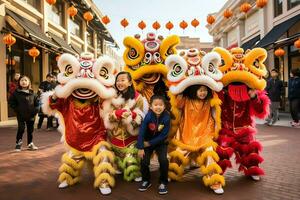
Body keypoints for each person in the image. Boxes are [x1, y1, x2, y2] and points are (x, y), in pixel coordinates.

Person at [103, 71, 148, 182]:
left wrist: (132, 115)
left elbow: (141, 117)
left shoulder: (138, 98)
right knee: (117, 164)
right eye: (117, 80)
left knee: (131, 167)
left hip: (131, 138)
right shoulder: (112, 97)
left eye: (123, 80)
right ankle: (119, 164)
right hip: (115, 136)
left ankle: (134, 168)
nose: (119, 82)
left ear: (129, 82)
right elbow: (107, 116)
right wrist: (116, 114)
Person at [137, 95, 170, 195]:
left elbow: (163, 135)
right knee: (144, 160)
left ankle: (163, 182)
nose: (158, 107)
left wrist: (149, 143)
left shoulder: (167, 117)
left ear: (164, 106)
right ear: (151, 107)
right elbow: (142, 131)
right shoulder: (148, 116)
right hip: (147, 143)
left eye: (161, 105)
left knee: (163, 160)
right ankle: (146, 180)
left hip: (160, 143)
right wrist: (140, 147)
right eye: (155, 105)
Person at [9, 75, 39, 151]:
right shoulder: (16, 93)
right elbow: (11, 102)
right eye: (22, 80)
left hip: (31, 115)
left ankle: (30, 143)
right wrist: (17, 110)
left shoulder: (33, 93)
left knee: (30, 130)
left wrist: (35, 111)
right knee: (21, 128)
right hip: (21, 114)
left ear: (29, 82)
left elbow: (38, 103)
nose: (24, 82)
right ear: (19, 82)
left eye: (26, 80)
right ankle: (18, 143)